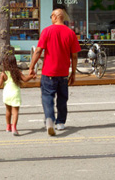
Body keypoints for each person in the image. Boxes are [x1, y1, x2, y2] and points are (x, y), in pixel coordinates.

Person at [29, 8, 81, 136]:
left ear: (55, 16)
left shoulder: (47, 31)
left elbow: (38, 51)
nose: (51, 18)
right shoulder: (71, 33)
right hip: (63, 73)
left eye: (51, 16)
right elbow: (74, 56)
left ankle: (50, 120)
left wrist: (31, 67)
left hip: (48, 72)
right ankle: (61, 123)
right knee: (62, 99)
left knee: (47, 98)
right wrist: (73, 72)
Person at [0, 51, 34, 136]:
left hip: (7, 93)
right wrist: (32, 76)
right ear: (14, 62)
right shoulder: (17, 72)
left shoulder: (4, 73)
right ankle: (14, 128)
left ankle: (8, 127)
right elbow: (25, 80)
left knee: (8, 111)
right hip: (15, 94)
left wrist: (1, 78)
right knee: (15, 112)